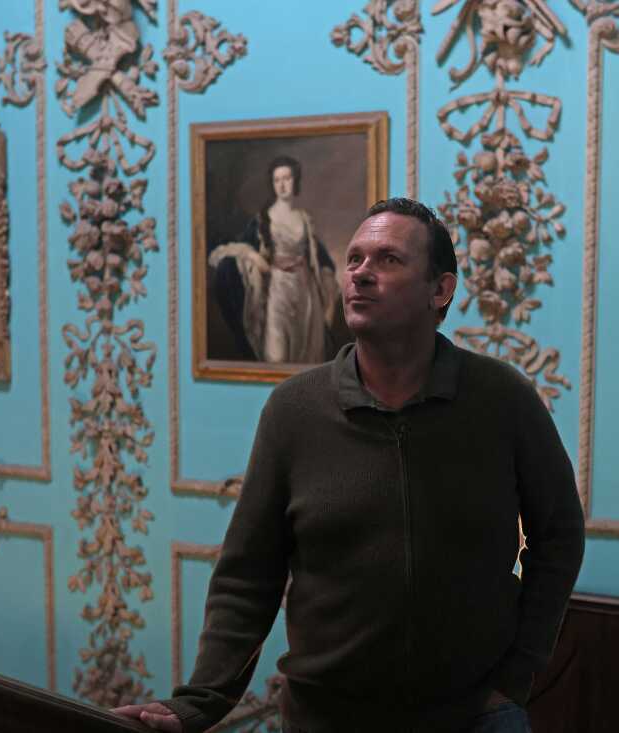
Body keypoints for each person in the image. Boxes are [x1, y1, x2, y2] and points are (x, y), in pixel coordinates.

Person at [114, 198, 585, 732]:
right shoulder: (295, 410)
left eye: (388, 259)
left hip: (476, 716)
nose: (360, 273)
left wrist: (518, 674)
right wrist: (200, 702)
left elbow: (560, 534)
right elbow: (248, 577)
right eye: (354, 258)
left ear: (440, 290)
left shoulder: (502, 399)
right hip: (327, 718)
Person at [209, 156, 339, 363]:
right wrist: (253, 256)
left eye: (287, 178)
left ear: (295, 180)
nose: (282, 184)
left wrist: (328, 287)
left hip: (305, 291)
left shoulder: (304, 219)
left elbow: (321, 259)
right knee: (276, 355)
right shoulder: (264, 219)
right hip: (277, 289)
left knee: (307, 354)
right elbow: (239, 248)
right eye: (277, 180)